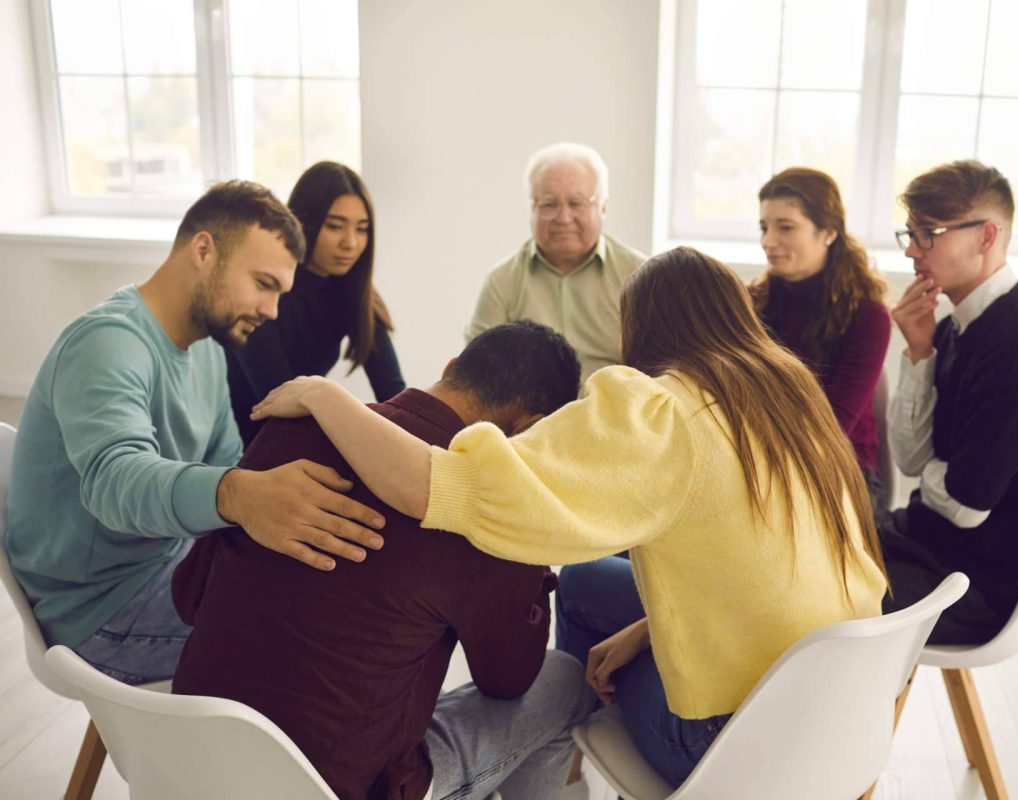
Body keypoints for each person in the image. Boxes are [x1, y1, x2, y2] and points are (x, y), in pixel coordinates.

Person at [252, 246, 889, 788]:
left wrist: (326, 395)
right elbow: (762, 559)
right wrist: (650, 628)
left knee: (565, 683)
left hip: (733, 741)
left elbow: (435, 487)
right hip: (838, 709)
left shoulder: (660, 412)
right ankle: (562, 777)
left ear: (640, 328)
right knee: (586, 582)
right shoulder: (787, 391)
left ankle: (560, 768)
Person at [172, 321, 590, 800]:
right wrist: (534, 549)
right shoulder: (487, 510)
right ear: (530, 428)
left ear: (451, 367)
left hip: (186, 758)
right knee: (564, 681)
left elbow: (189, 596)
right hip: (342, 789)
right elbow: (507, 681)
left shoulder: (293, 424)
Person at [2, 181, 387, 685]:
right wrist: (239, 495)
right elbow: (115, 480)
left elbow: (227, 460)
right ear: (203, 250)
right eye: (263, 284)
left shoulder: (207, 348)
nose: (272, 310)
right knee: (325, 646)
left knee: (340, 592)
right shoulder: (107, 344)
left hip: (168, 562)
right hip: (98, 611)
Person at [883, 160, 1018, 644]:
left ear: (987, 236)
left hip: (966, 586)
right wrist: (919, 353)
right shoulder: (956, 327)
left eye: (928, 234)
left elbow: (965, 505)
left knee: (797, 598)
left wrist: (936, 473)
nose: (911, 250)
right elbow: (910, 460)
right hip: (925, 544)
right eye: (909, 234)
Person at [226, 161, 405, 445]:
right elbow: (277, 401)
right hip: (243, 443)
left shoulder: (355, 292)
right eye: (334, 226)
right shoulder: (264, 293)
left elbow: (394, 394)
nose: (350, 243)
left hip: (300, 436)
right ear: (304, 222)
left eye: (362, 229)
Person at [753, 167, 892, 518]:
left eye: (786, 227)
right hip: (763, 463)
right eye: (764, 228)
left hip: (843, 472)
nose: (769, 241)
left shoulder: (867, 315)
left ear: (829, 232)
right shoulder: (752, 302)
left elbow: (833, 428)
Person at [466, 142, 646, 382]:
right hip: (529, 407)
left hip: (616, 405)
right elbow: (476, 375)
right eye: (549, 204)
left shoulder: (639, 277)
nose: (563, 218)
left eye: (576, 203)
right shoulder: (502, 282)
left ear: (603, 207)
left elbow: (661, 372)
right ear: (532, 208)